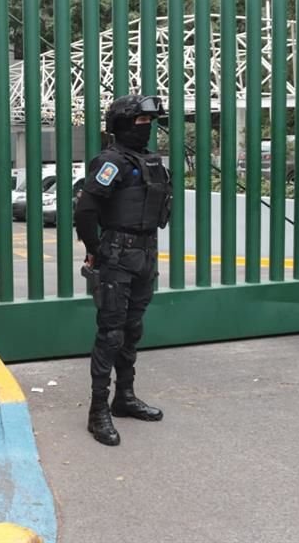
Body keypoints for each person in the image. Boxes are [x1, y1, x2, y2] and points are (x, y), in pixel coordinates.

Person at [73, 94, 172, 446]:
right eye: (139, 122)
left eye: (149, 123)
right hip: (117, 254)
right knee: (111, 333)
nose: (145, 129)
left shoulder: (148, 161)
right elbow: (85, 210)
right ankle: (98, 409)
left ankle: (124, 398)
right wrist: (96, 250)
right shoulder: (111, 162)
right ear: (120, 125)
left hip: (145, 253)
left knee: (132, 330)